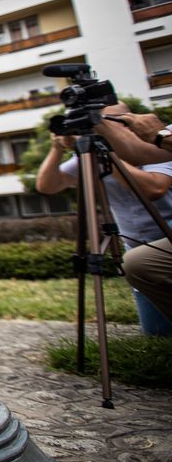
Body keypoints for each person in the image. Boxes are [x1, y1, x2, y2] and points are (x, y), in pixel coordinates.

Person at [35, 103, 172, 333]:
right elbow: (48, 185)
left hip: (167, 235)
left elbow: (154, 188)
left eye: (102, 122)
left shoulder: (159, 144)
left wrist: (104, 155)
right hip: (136, 246)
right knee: (158, 335)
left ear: (128, 122)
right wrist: (57, 148)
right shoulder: (93, 156)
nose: (97, 129)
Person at [95, 112, 172, 323]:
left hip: (163, 228)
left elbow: (154, 187)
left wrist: (160, 135)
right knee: (139, 262)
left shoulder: (164, 135)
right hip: (138, 243)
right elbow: (140, 152)